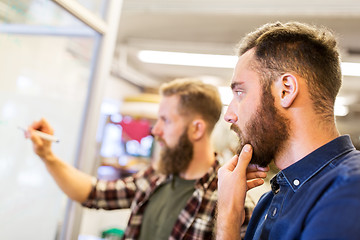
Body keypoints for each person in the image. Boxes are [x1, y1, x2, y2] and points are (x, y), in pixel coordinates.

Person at [27, 78, 263, 240]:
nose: (155, 130)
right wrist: (47, 155)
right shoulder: (156, 177)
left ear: (196, 129)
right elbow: (94, 193)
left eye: (165, 120)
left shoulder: (232, 200)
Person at [216, 21, 360, 240]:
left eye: (240, 93)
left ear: (286, 90)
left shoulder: (350, 187)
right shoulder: (270, 200)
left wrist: (227, 217)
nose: (229, 115)